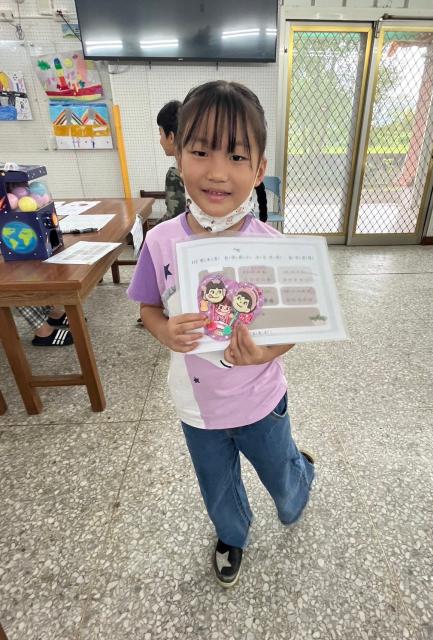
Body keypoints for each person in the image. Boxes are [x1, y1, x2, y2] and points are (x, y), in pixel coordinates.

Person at [128, 81, 315, 588]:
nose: (216, 171)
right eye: (200, 152)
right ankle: (232, 535)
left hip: (261, 400)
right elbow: (148, 307)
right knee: (216, 484)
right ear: (178, 157)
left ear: (258, 169)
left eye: (235, 156)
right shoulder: (160, 242)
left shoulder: (273, 247)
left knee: (283, 482)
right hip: (197, 407)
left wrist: (264, 352)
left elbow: (292, 331)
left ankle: (299, 477)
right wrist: (166, 332)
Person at [156, 100, 186, 221]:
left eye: (161, 134)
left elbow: (175, 218)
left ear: (171, 137)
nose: (160, 141)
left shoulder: (175, 174)